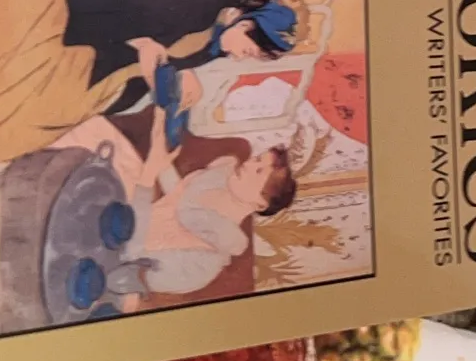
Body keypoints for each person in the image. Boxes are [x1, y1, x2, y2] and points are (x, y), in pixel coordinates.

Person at [0, 0, 307, 166]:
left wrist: (178, 75)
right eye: (249, 49)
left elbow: (169, 57)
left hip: (102, 69)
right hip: (73, 22)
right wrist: (139, 46)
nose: (241, 56)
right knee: (22, 113)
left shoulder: (215, 40)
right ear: (242, 20)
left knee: (43, 120)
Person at [53, 101, 297, 314]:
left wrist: (149, 175)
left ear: (260, 203)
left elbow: (131, 256)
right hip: (133, 208)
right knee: (98, 132)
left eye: (259, 171)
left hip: (113, 253)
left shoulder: (204, 263)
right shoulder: (219, 178)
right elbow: (179, 195)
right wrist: (161, 157)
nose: (248, 164)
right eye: (257, 159)